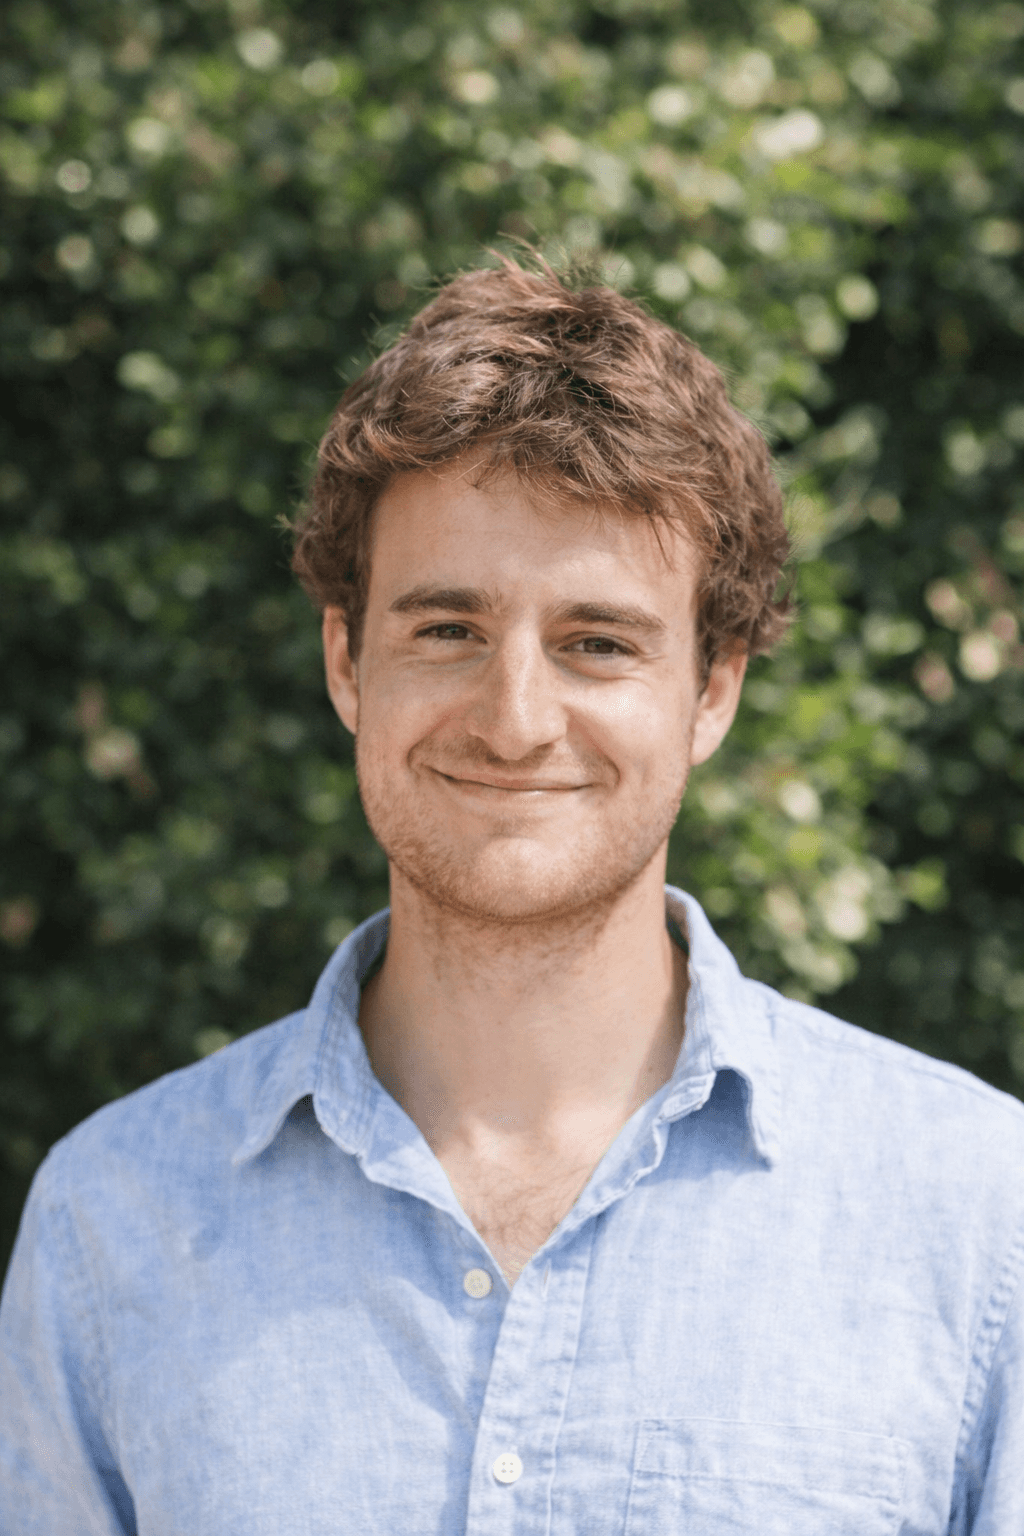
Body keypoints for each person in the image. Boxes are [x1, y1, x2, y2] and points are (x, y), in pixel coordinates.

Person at [1, 259, 1022, 1536]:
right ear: (345, 661)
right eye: (446, 630)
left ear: (711, 691)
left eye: (597, 642)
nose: (515, 718)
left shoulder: (978, 1215)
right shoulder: (113, 1223)